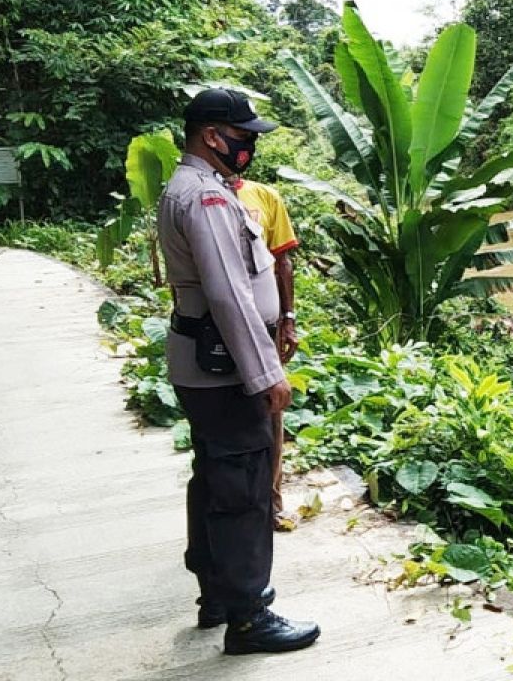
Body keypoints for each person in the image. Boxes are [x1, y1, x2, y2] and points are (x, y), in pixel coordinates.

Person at [158, 87, 320, 655]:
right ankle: (250, 614)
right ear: (212, 136)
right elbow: (230, 296)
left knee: (215, 477)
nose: (249, 145)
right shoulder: (204, 198)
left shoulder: (195, 189)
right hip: (224, 368)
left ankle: (217, 595)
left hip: (206, 361)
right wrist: (266, 374)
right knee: (243, 487)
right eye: (243, 135)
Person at [228, 167, 299, 530]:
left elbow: (282, 262)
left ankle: (272, 499)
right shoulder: (198, 199)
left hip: (267, 326)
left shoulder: (265, 197)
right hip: (220, 327)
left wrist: (288, 318)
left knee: (273, 408)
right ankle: (235, 501)